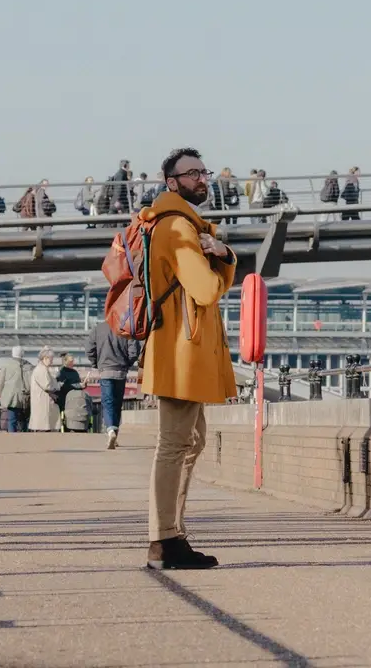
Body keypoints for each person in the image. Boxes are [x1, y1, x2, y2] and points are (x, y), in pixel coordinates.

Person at [141, 146, 237, 571]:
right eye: (191, 173)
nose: (202, 179)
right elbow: (205, 290)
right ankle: (164, 539)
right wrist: (223, 255)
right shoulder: (177, 227)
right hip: (180, 350)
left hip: (184, 347)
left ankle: (173, 533)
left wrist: (219, 251)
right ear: (172, 183)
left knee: (191, 441)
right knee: (175, 444)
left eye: (204, 171)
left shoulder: (183, 223)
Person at [86, 320, 141, 449]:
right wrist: (126, 363)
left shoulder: (98, 329)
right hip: (121, 371)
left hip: (105, 371)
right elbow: (134, 350)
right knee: (117, 404)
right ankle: (115, 433)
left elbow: (89, 349)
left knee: (107, 402)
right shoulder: (126, 327)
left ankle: (110, 430)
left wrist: (96, 363)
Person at [0, 346, 33, 432]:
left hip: (11, 397)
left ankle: (12, 440)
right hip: (26, 397)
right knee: (25, 420)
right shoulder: (29, 366)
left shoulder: (6, 365)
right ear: (22, 353)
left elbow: (1, 382)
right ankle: (25, 439)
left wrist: (0, 396)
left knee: (12, 420)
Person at [29, 347, 61, 432]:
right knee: (44, 427)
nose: (52, 361)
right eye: (51, 359)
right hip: (43, 403)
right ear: (45, 358)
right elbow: (47, 386)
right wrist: (58, 386)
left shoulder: (42, 368)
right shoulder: (41, 369)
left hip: (44, 402)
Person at [55, 354, 82, 422]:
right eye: (70, 361)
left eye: (72, 361)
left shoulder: (75, 372)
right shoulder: (61, 372)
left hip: (74, 399)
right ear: (65, 361)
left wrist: (83, 385)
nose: (72, 363)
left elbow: (79, 385)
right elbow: (62, 386)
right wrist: (78, 386)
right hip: (64, 399)